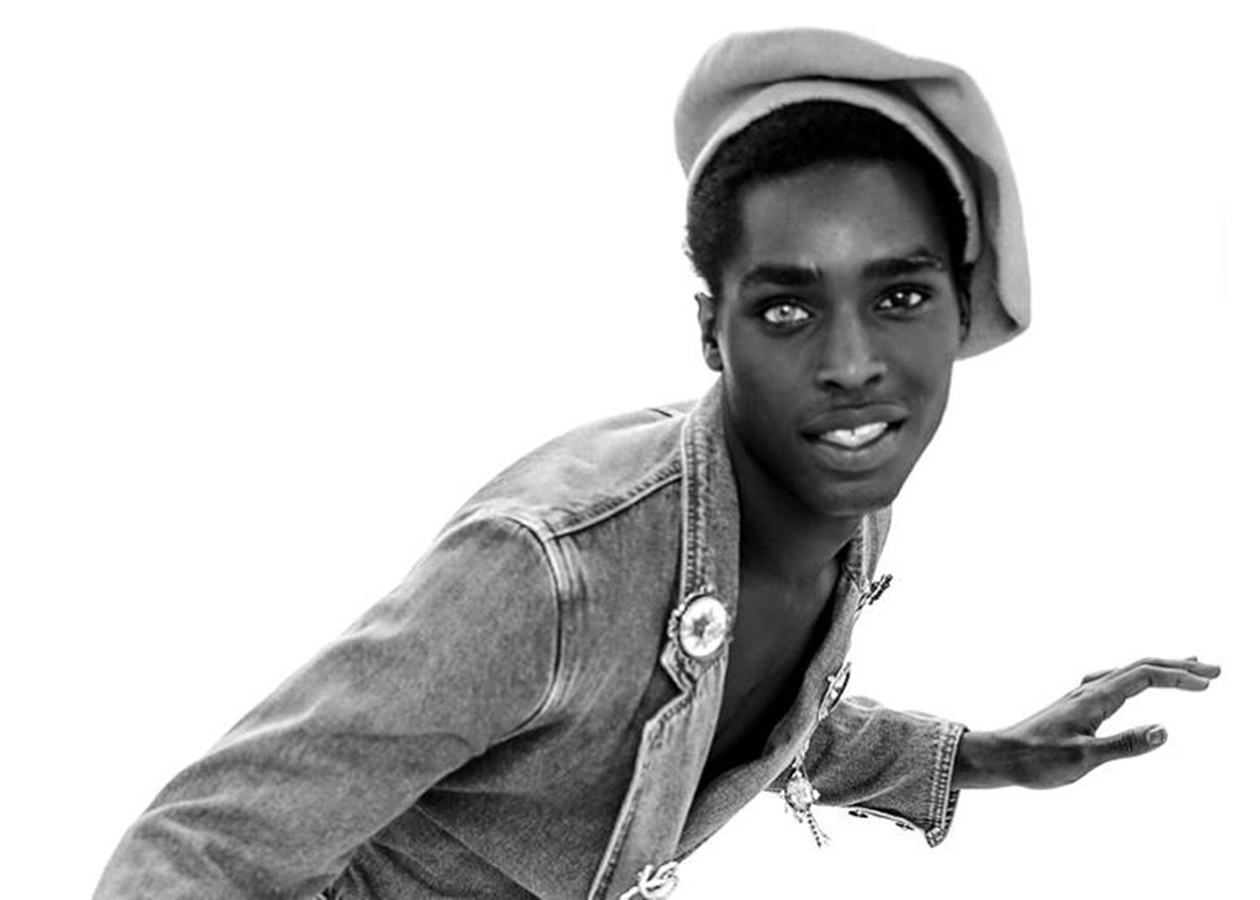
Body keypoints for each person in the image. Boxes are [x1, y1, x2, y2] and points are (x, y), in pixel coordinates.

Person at [92, 27, 1220, 900]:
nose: (851, 365)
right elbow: (194, 851)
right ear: (710, 332)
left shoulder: (844, 513)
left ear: (958, 310)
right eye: (786, 308)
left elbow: (760, 720)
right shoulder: (549, 574)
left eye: (900, 296)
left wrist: (982, 757)